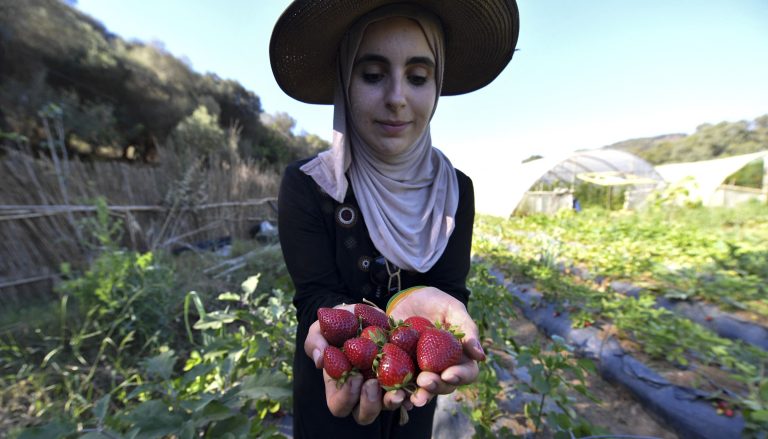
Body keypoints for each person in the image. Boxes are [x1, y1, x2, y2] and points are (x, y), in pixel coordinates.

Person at [270, 1, 519, 437]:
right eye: (372, 74)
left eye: (418, 77)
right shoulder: (310, 185)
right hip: (333, 394)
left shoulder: (456, 190)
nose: (397, 98)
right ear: (345, 80)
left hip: (415, 397)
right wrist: (337, 318)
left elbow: (451, 289)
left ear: (436, 85)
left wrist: (438, 312)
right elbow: (314, 297)